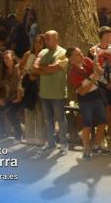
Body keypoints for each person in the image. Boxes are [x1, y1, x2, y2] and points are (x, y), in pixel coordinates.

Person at [67, 47, 110, 160]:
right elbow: (82, 92)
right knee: (87, 124)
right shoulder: (72, 73)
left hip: (97, 95)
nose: (81, 55)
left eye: (81, 52)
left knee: (102, 122)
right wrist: (92, 80)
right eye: (77, 54)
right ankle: (86, 149)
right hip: (85, 100)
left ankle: (96, 145)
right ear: (71, 59)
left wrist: (97, 64)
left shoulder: (87, 60)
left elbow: (99, 72)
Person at [32, 30, 69, 158]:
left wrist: (43, 68)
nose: (46, 41)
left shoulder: (63, 53)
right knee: (48, 120)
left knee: (60, 119)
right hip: (44, 92)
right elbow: (34, 68)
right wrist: (45, 68)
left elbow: (52, 69)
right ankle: (51, 143)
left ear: (56, 39)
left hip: (57, 93)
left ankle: (64, 143)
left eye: (48, 39)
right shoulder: (42, 52)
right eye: (45, 39)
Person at [90, 26, 111, 145]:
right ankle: (101, 136)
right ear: (103, 36)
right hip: (100, 83)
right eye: (109, 35)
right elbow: (92, 67)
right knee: (102, 109)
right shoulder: (94, 50)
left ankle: (110, 134)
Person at [19, 33, 46, 145]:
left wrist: (36, 74)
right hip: (29, 86)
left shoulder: (45, 56)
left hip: (40, 86)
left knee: (40, 112)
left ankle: (40, 138)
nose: (38, 45)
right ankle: (29, 137)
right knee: (29, 111)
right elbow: (20, 67)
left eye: (40, 42)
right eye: (36, 42)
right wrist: (25, 74)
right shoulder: (28, 54)